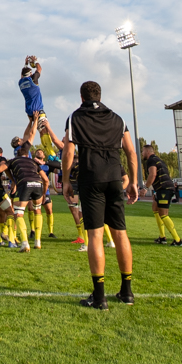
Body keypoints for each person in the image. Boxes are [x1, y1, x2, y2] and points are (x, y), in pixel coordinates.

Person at [62, 80, 138, 310]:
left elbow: (68, 150)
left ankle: (99, 296)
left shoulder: (75, 117)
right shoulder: (118, 118)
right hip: (116, 178)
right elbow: (131, 152)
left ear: (82, 97)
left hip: (91, 179)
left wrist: (66, 181)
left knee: (95, 236)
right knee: (120, 234)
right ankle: (127, 292)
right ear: (100, 96)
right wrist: (133, 181)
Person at [7, 143, 46, 252]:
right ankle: (38, 241)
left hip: (25, 183)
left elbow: (0, 169)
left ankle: (25, 243)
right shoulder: (33, 162)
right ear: (27, 155)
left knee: (18, 213)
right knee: (37, 210)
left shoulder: (14, 161)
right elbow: (46, 179)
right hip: (38, 184)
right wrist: (43, 193)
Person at [18, 56, 59, 160]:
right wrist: (34, 61)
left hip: (29, 111)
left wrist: (26, 64)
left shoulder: (20, 82)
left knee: (38, 130)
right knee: (44, 130)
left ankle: (50, 153)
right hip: (37, 110)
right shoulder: (33, 80)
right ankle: (51, 154)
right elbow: (39, 68)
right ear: (30, 74)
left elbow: (23, 74)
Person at [142, 145, 182, 246]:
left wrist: (145, 188)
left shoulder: (151, 160)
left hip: (164, 189)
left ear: (147, 151)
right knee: (155, 208)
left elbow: (153, 174)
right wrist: (155, 192)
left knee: (163, 214)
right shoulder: (159, 160)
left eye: (142, 151)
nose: (142, 153)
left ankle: (177, 240)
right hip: (163, 189)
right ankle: (162, 237)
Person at [33, 149, 58, 239]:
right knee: (33, 210)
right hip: (34, 189)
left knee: (49, 210)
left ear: (44, 156)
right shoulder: (33, 164)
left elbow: (58, 168)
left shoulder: (47, 166)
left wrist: (47, 163)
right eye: (37, 152)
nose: (39, 152)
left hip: (45, 190)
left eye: (41, 152)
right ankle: (32, 230)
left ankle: (51, 232)